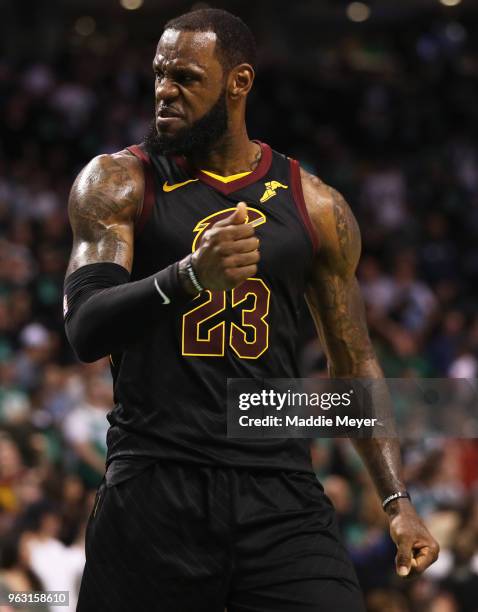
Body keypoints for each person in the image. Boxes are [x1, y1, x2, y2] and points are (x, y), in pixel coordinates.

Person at [63, 8, 439, 611]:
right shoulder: (118, 182)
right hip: (156, 484)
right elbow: (84, 328)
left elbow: (356, 362)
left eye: (186, 77)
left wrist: (397, 502)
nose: (164, 91)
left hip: (280, 492)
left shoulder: (315, 206)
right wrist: (187, 277)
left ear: (239, 82)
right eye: (159, 74)